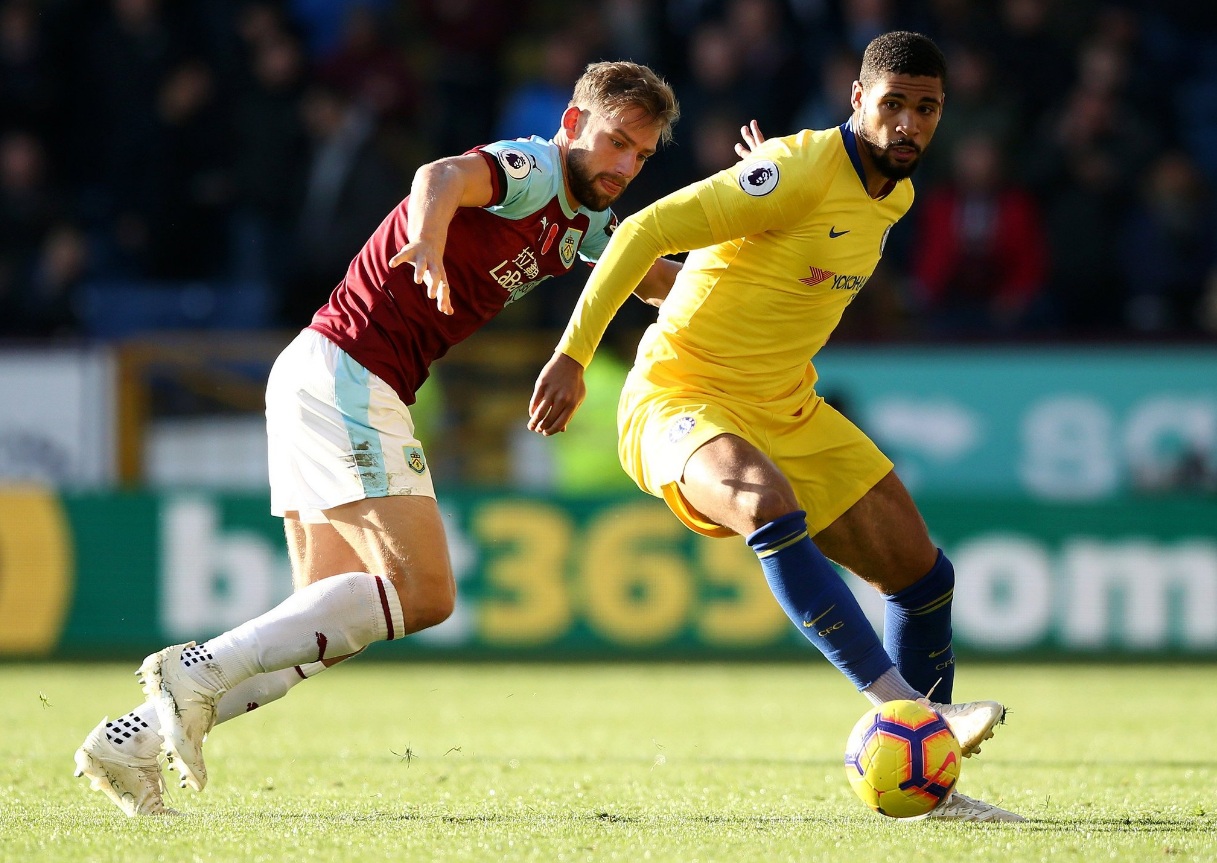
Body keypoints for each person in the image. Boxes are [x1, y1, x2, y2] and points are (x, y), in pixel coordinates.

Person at [73, 60, 684, 817]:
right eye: (616, 141)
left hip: (319, 370)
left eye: (642, 154)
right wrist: (427, 239)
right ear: (571, 125)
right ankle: (189, 670)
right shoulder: (532, 168)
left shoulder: (591, 220)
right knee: (424, 594)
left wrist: (759, 258)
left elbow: (655, 277)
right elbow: (441, 175)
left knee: (319, 624)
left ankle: (126, 741)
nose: (625, 164)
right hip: (351, 372)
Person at [528, 32, 1024, 823]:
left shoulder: (889, 192)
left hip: (785, 401)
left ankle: (932, 791)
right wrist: (572, 355)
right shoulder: (798, 169)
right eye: (890, 104)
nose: (906, 124)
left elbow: (775, 256)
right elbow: (640, 231)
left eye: (924, 109)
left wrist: (758, 189)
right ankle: (907, 710)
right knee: (764, 499)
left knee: (923, 577)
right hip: (678, 392)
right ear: (856, 99)